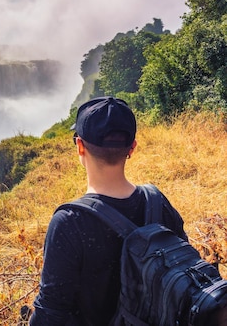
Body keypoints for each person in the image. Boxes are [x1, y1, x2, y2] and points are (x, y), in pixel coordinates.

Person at [29, 96, 187, 325]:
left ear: (80, 146)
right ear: (132, 148)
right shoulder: (157, 201)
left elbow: (50, 313)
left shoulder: (69, 223)